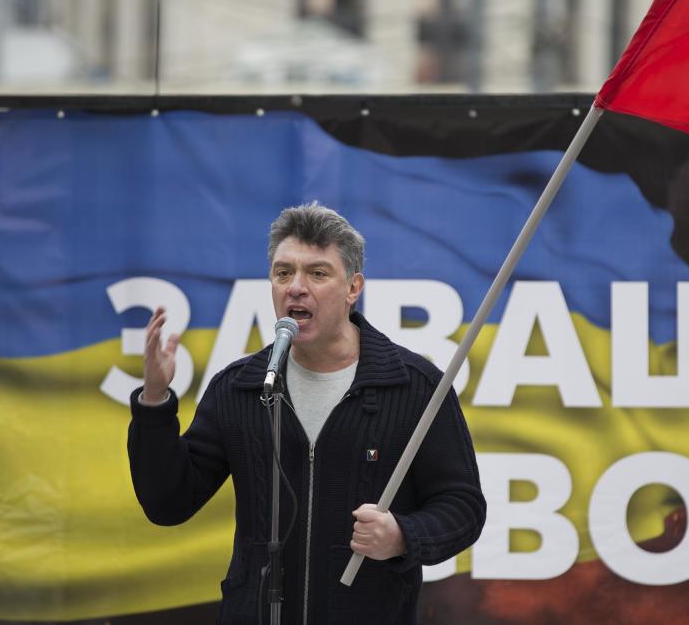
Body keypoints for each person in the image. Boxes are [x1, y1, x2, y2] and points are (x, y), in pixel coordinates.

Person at [127, 202, 486, 624]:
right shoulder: (240, 387)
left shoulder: (415, 386)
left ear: (353, 288)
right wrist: (154, 400)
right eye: (283, 273)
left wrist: (403, 537)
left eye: (317, 273)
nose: (295, 287)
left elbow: (463, 507)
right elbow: (168, 503)